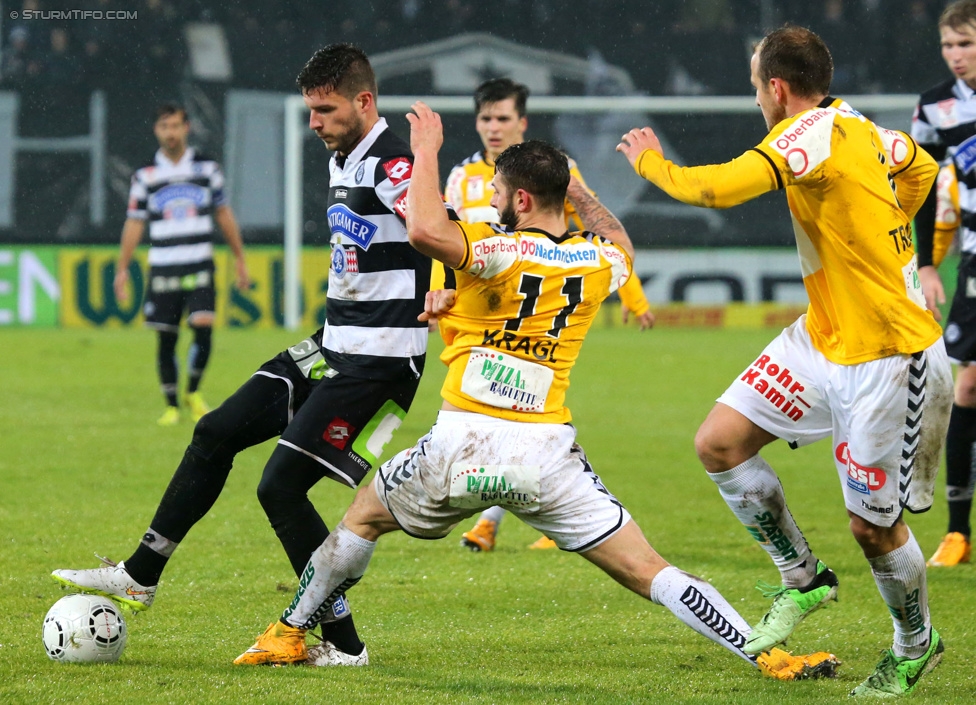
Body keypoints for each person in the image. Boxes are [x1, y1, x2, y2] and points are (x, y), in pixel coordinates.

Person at [231, 102, 841, 684]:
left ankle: (288, 631)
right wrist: (576, 189)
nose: (493, 201)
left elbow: (422, 229)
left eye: (499, 192)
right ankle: (768, 657)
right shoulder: (593, 262)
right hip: (547, 459)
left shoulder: (493, 249)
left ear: (520, 199)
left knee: (361, 518)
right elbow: (623, 246)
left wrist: (425, 150)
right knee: (648, 569)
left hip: (458, 446)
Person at [53, 43, 434, 667]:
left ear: (364, 102)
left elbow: (435, 230)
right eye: (310, 110)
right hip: (333, 344)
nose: (313, 122)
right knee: (215, 431)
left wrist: (447, 282)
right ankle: (140, 574)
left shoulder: (394, 163)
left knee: (281, 488)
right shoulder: (348, 153)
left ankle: (345, 647)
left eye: (325, 109)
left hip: (381, 363)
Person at [617, 25, 950, 698]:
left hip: (889, 354)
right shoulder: (858, 126)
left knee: (873, 527)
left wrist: (651, 162)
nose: (754, 98)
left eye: (753, 85)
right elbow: (919, 169)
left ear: (777, 88)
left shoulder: (802, 134)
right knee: (720, 440)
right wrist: (881, 239)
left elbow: (714, 189)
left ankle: (917, 644)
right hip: (822, 335)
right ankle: (803, 576)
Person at [445, 77, 655, 553]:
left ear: (522, 122)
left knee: (520, 409)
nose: (494, 127)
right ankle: (546, 508)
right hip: (480, 315)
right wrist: (441, 293)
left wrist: (634, 298)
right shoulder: (461, 177)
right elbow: (449, 242)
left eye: (503, 118)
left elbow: (599, 232)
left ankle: (496, 520)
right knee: (510, 414)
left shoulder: (557, 171)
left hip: (541, 314)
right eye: (486, 118)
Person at [115, 103, 250, 426]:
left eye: (176, 126)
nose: (171, 132)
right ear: (156, 130)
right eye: (165, 126)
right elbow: (134, 222)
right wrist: (122, 268)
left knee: (203, 327)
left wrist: (240, 257)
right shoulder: (145, 175)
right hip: (163, 266)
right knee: (166, 337)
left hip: (199, 262)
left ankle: (193, 392)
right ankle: (172, 405)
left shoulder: (206, 170)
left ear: (186, 127)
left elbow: (223, 214)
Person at [912, 0, 976, 569]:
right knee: (967, 388)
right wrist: (927, 263)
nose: (957, 56)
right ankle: (959, 531)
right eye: (948, 46)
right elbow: (924, 186)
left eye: (967, 44)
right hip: (974, 260)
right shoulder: (936, 105)